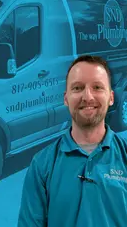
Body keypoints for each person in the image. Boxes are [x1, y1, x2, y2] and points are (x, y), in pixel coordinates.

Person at [17, 55, 127, 227]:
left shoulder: (124, 155)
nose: (88, 97)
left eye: (97, 87)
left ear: (111, 97)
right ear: (66, 98)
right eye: (78, 88)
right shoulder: (42, 164)